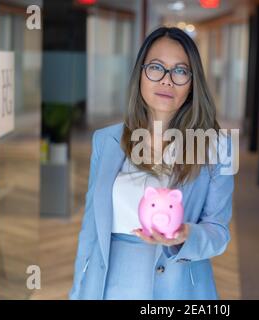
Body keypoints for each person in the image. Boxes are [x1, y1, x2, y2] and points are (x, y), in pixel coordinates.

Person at [69, 26, 235, 300]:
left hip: (179, 288)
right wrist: (77, 293)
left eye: (180, 71)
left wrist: (185, 235)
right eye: (156, 67)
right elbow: (90, 230)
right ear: (140, 74)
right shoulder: (105, 141)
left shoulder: (216, 147)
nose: (167, 81)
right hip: (108, 285)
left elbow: (219, 232)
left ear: (193, 83)